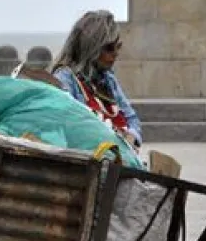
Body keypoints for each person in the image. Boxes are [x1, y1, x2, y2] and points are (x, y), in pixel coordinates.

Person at [51, 10, 143, 150]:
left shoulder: (108, 79)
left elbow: (131, 118)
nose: (116, 54)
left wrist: (132, 137)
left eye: (118, 46)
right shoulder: (65, 79)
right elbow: (69, 127)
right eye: (109, 48)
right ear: (91, 49)